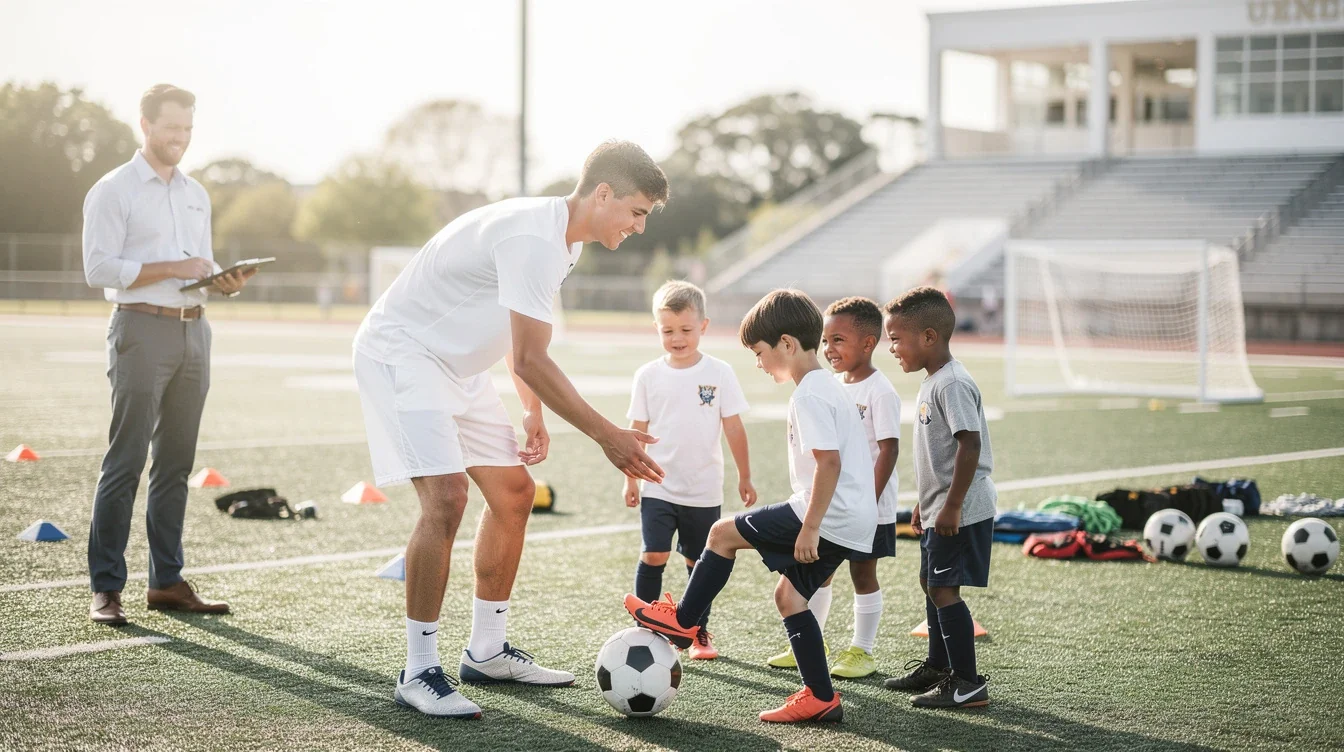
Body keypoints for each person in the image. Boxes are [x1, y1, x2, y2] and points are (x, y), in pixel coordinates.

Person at [352, 140, 670, 719]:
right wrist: (608, 436)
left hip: (458, 366)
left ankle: (487, 652)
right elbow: (530, 359)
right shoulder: (534, 238)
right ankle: (418, 671)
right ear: (603, 194)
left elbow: (514, 334)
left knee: (515, 494)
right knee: (446, 499)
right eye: (636, 212)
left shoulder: (564, 241)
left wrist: (532, 410)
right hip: (404, 354)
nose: (639, 226)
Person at [625, 289, 876, 723]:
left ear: (786, 344)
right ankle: (821, 697)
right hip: (852, 518)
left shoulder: (810, 394)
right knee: (790, 598)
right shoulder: (824, 386)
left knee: (721, 534)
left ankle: (684, 621)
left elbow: (829, 463)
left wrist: (810, 526)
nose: (758, 363)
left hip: (827, 515)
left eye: (759, 353)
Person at [82, 84, 254, 626]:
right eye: (171, 127)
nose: (180, 137)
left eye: (187, 128)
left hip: (194, 332)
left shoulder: (196, 193)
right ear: (146, 125)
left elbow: (199, 267)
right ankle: (106, 589)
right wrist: (172, 269)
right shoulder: (113, 190)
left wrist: (221, 281)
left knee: (176, 464)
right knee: (126, 461)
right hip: (140, 329)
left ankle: (167, 582)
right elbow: (98, 269)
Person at [766, 297, 900, 679]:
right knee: (820, 572)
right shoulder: (832, 385)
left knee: (863, 574)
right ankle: (814, 641)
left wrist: (869, 500)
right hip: (832, 505)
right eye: (825, 340)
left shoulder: (880, 391)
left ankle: (862, 650)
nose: (828, 349)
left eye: (838, 340)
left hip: (869, 507)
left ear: (868, 343)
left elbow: (888, 450)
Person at [625, 280, 755, 661]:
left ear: (704, 326)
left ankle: (697, 632)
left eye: (686, 329)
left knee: (698, 563)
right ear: (656, 328)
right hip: (657, 485)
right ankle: (646, 631)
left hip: (703, 488)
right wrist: (630, 479)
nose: (677, 338)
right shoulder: (647, 375)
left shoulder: (720, 372)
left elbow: (734, 428)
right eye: (668, 331)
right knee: (654, 554)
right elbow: (636, 431)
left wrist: (745, 476)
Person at [880, 287, 995, 708]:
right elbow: (940, 455)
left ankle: (967, 682)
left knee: (944, 589)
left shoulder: (953, 383)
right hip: (940, 507)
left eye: (896, 338)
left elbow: (970, 445)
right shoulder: (934, 380)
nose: (891, 348)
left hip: (960, 510)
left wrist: (952, 506)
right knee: (931, 583)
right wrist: (925, 503)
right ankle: (938, 666)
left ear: (928, 337)